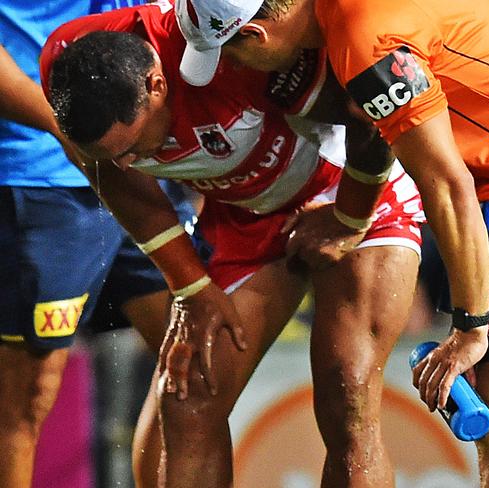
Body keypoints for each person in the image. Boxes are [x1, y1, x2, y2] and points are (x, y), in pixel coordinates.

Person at [173, 0, 489, 486]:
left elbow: (446, 185)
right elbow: (388, 136)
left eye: (230, 52)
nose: (232, 67)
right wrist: (352, 215)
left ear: (257, 35)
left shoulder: (366, 38)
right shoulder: (346, 20)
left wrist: (471, 329)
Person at [41, 2, 426, 486]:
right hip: (243, 214)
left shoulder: (238, 51)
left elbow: (366, 117)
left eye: (134, 148)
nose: (126, 163)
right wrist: (192, 288)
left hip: (348, 191)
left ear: (157, 84)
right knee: (187, 401)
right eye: (111, 155)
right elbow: (115, 183)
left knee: (347, 396)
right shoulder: (65, 64)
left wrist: (349, 217)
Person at [0, 1, 198, 486]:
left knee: (194, 368)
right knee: (27, 397)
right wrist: (68, 126)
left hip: (148, 159)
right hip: (42, 175)